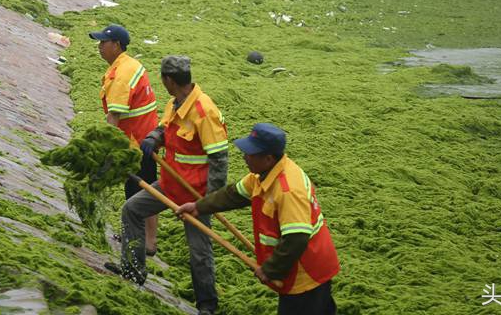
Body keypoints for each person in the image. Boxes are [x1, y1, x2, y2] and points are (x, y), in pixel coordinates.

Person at [175, 123, 341, 315]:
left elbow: (297, 238)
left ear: (268, 158)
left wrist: (270, 269)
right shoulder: (261, 176)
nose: (244, 157)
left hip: (307, 273)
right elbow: (233, 194)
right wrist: (198, 207)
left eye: (250, 153)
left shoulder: (288, 190)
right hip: (294, 268)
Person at [112, 55, 228, 315]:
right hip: (170, 183)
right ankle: (133, 271)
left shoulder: (204, 111)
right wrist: (154, 138)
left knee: (199, 250)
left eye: (163, 79)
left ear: (169, 81)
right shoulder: (175, 104)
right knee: (132, 209)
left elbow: (220, 160)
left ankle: (207, 305)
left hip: (196, 194)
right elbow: (165, 129)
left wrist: (207, 202)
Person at [90, 24, 161, 257]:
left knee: (142, 192)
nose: (99, 47)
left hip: (138, 143)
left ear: (116, 45)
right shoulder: (127, 65)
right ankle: (138, 236)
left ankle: (147, 242)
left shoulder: (122, 74)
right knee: (140, 189)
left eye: (103, 43)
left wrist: (106, 149)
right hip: (143, 137)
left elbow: (115, 115)